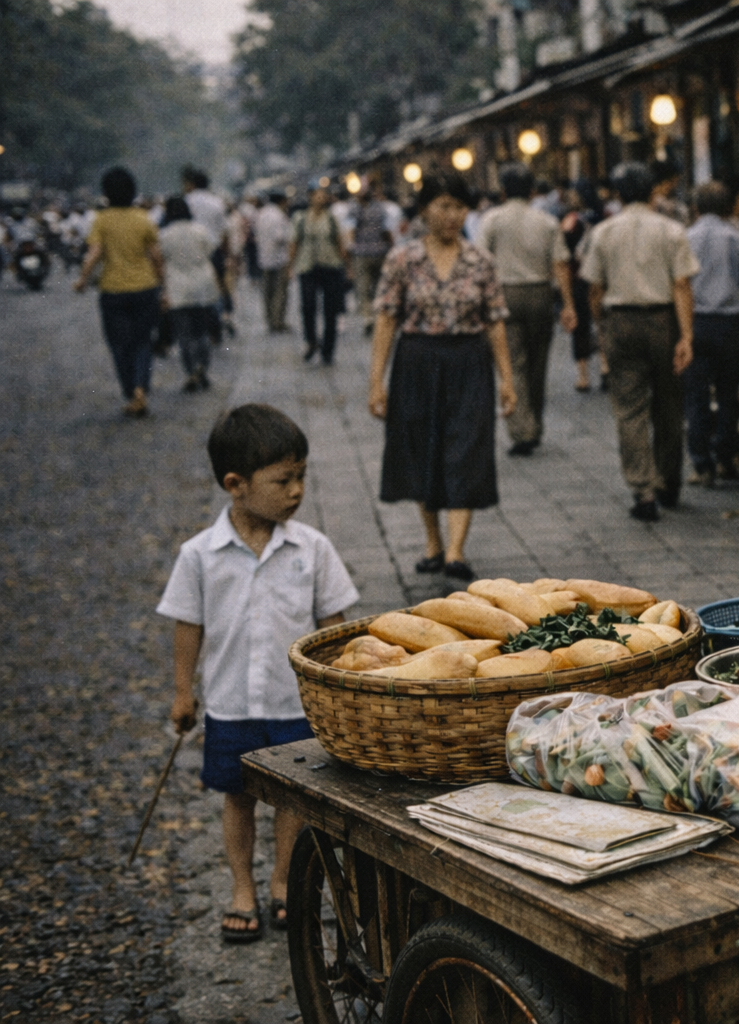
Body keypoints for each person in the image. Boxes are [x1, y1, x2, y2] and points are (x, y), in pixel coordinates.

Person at [157, 404, 359, 942]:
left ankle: (282, 881)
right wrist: (183, 693)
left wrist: (336, 683)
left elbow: (332, 627)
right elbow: (187, 627)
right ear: (235, 484)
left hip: (294, 703)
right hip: (232, 704)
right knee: (238, 796)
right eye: (283, 480)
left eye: (302, 478)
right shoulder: (199, 555)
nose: (296, 491)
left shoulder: (311, 548)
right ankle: (241, 886)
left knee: (292, 799)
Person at [368, 173, 516, 581]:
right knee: (422, 450)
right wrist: (375, 380)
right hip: (416, 361)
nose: (452, 215)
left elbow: (496, 321)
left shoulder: (480, 261)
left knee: (466, 447)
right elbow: (386, 319)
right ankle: (433, 542)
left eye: (459, 207)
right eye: (444, 205)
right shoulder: (402, 259)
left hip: (469, 362)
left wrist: (506, 378)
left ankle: (456, 551)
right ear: (424, 209)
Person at [580, 161, 700, 521]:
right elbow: (682, 285)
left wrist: (602, 325)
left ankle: (642, 490)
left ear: (617, 194)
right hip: (663, 319)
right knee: (669, 404)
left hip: (621, 320)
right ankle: (669, 481)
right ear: (653, 192)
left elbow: (595, 288)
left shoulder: (602, 232)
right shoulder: (671, 230)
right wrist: (687, 336)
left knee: (629, 407)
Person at [477, 162, 579, 455]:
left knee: (512, 363)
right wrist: (568, 304)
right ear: (533, 191)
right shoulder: (546, 222)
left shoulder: (492, 220)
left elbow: (483, 262)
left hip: (504, 293)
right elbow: (560, 264)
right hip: (540, 294)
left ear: (503, 191)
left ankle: (523, 430)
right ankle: (535, 423)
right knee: (538, 363)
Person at [684, 180, 739, 485]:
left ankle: (701, 464)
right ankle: (725, 459)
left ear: (696, 208)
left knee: (696, 395)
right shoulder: (738, 239)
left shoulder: (685, 238)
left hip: (695, 323)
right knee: (730, 394)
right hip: (730, 324)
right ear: (728, 207)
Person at [74, 166, 163, 418]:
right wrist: (163, 286)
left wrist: (82, 279)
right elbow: (156, 257)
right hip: (145, 288)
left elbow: (94, 254)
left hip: (113, 291)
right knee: (143, 341)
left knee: (119, 345)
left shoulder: (102, 219)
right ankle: (140, 389)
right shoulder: (143, 218)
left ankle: (130, 390)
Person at [157, 196, 221, 392]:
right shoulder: (200, 231)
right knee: (201, 331)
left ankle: (190, 371)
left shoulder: (164, 235)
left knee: (184, 335)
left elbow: (160, 259)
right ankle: (203, 367)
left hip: (177, 288)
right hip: (202, 286)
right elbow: (211, 251)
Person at [290, 185, 350, 365]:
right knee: (308, 306)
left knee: (330, 310)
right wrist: (290, 266)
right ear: (310, 197)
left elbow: (340, 243)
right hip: (307, 266)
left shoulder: (332, 218)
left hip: (330, 266)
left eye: (324, 195)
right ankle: (311, 341)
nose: (321, 198)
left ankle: (328, 349)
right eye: (318, 195)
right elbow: (294, 243)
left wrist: (347, 266)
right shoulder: (300, 218)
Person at [561, 180, 604, 392]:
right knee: (602, 321)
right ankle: (605, 367)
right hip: (602, 277)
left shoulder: (571, 220)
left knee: (581, 326)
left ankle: (584, 376)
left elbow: (565, 252)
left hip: (579, 277)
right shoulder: (603, 217)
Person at [182, 167, 231, 343]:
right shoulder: (217, 202)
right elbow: (225, 232)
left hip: (191, 252)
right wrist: (226, 255)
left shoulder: (185, 201)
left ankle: (197, 328)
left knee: (193, 290)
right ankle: (215, 325)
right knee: (215, 290)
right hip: (214, 251)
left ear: (191, 184)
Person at [351, 175, 402, 331]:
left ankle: (369, 317)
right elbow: (387, 231)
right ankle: (376, 315)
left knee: (364, 288)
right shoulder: (381, 208)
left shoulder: (356, 210)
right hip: (380, 251)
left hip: (362, 253)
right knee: (378, 286)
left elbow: (351, 232)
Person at [254, 192, 294, 333]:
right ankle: (278, 321)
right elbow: (280, 237)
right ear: (282, 201)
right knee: (279, 292)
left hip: (264, 258)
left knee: (267, 292)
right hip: (279, 259)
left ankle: (269, 320)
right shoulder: (278, 215)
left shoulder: (261, 213)